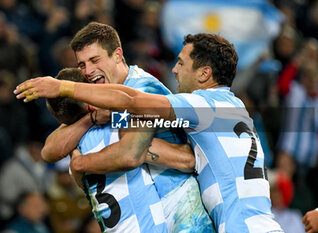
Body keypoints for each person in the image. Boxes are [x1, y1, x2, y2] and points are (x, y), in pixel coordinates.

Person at [15, 32, 284, 232]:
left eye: (181, 63)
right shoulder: (229, 106)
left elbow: (135, 126)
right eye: (82, 64)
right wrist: (96, 119)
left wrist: (63, 89)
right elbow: (51, 150)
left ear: (204, 73)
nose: (174, 70)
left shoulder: (191, 100)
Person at [32, 22, 214, 232]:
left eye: (94, 60)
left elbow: (130, 155)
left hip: (182, 205)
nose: (88, 71)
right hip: (150, 212)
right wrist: (90, 119)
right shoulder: (97, 104)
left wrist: (82, 165)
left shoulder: (144, 87)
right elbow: (49, 151)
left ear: (117, 55)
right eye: (82, 65)